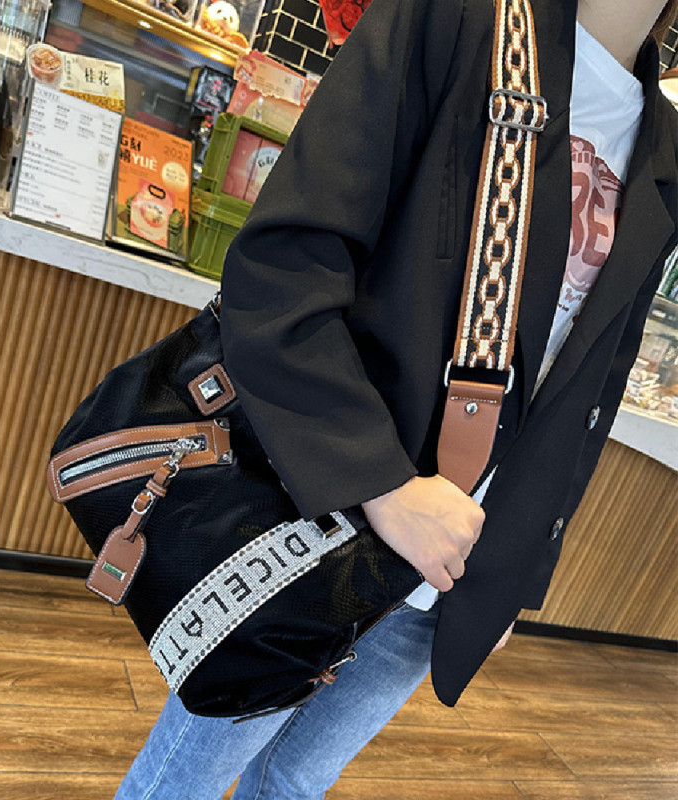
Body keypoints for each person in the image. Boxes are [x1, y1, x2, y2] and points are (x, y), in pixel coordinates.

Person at [114, 0, 678, 797]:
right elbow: (284, 267)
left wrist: (518, 568)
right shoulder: (457, 20)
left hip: (454, 561)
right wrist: (381, 483)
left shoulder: (664, 147)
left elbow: (592, 390)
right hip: (328, 516)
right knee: (187, 781)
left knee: (299, 780)